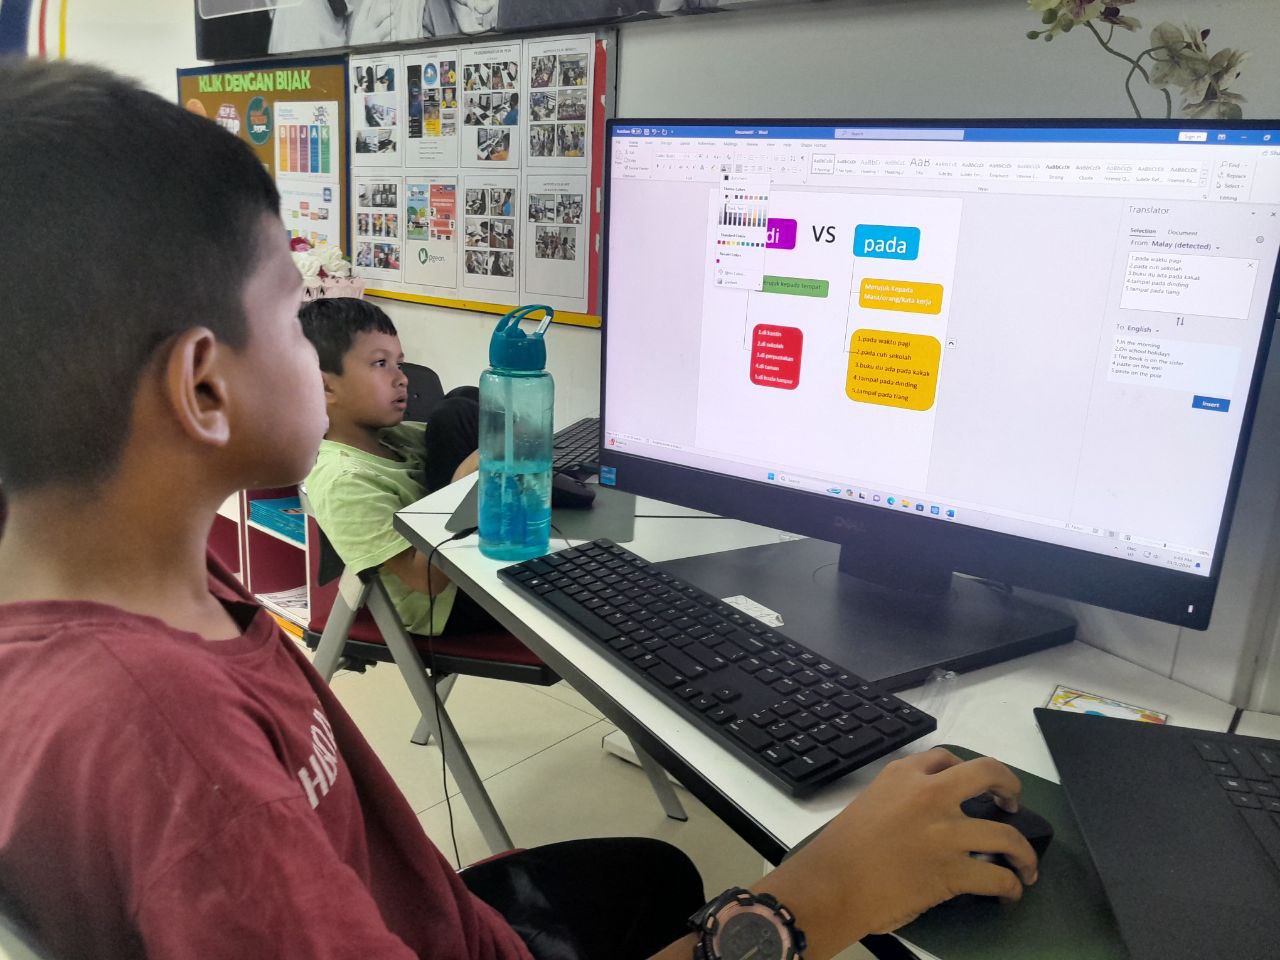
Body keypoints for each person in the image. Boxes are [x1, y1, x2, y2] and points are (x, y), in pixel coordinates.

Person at [0, 60, 1038, 960]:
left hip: (436, 920)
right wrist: (819, 899)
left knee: (654, 873)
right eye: (290, 307)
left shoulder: (136, 576)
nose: (317, 346)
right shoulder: (173, 755)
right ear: (203, 386)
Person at [299, 297, 491, 637]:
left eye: (399, 363)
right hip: (449, 604)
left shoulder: (395, 438)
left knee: (463, 400)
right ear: (326, 386)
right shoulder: (342, 480)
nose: (402, 378)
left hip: (472, 569)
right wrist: (461, 485)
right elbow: (426, 581)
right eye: (380, 364)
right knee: (454, 414)